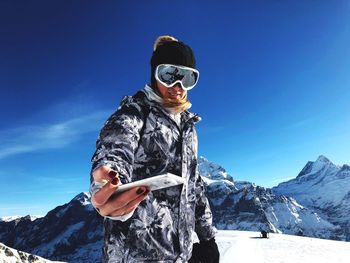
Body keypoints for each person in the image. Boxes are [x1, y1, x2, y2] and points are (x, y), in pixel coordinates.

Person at [89, 35, 220, 263]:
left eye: (187, 78)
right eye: (169, 75)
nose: (178, 87)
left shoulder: (187, 126)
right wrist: (108, 179)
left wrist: (207, 238)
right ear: (154, 74)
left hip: (180, 256)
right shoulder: (134, 113)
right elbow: (116, 148)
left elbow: (194, 186)